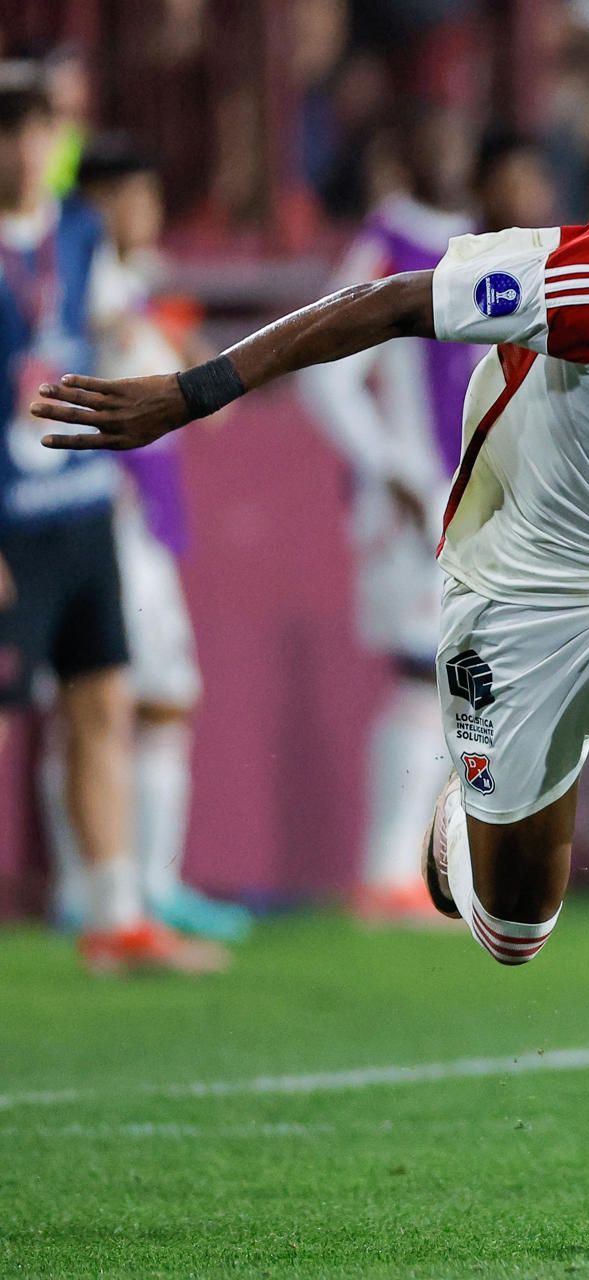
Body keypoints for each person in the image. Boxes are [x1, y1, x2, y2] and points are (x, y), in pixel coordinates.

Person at [33, 164, 589, 1245]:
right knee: (513, 928)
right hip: (518, 598)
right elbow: (398, 300)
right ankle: (457, 827)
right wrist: (193, 389)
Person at [0, 80, 224, 976]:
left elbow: (107, 324)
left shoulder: (78, 231)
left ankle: (117, 915)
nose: (21, 153)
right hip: (8, 517)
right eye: (7, 136)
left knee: (101, 706)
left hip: (82, 505)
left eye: (33, 133)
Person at [40, 140, 251, 942]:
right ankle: (107, 887)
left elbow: (214, 401)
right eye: (135, 198)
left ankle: (120, 884)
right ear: (100, 204)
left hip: (145, 518)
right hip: (105, 514)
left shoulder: (136, 287)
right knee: (118, 700)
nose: (148, 214)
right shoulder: (74, 284)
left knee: (135, 702)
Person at [298, 105, 485, 925]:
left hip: (481, 507)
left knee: (467, 689)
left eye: (457, 137)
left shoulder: (484, 245)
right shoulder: (384, 245)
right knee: (422, 676)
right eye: (432, 135)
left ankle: (427, 872)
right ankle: (385, 872)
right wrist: (390, 467)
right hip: (412, 506)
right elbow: (322, 375)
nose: (448, 151)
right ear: (400, 149)